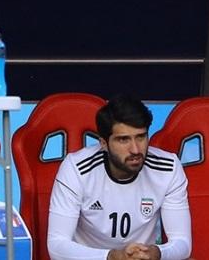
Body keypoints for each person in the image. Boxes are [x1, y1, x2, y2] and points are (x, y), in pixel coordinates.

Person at [48, 95, 192, 260]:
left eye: (141, 137)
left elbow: (182, 243)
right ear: (103, 143)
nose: (135, 149)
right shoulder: (76, 169)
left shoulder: (168, 167)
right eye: (123, 140)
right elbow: (57, 245)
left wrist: (157, 253)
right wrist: (112, 257)